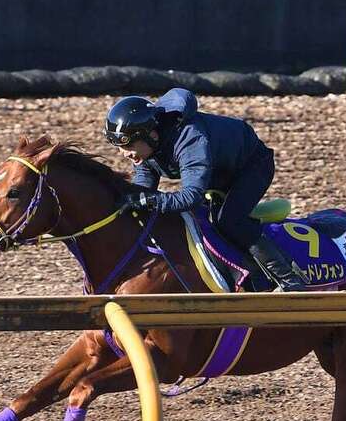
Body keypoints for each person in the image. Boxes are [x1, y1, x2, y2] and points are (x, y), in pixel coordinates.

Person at [103, 88, 307, 291]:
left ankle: (289, 279)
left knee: (228, 220)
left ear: (151, 135)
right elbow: (143, 191)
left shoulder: (191, 139)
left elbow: (190, 197)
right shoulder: (147, 148)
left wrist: (150, 201)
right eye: (120, 147)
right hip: (218, 169)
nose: (123, 154)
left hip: (252, 166)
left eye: (128, 146)